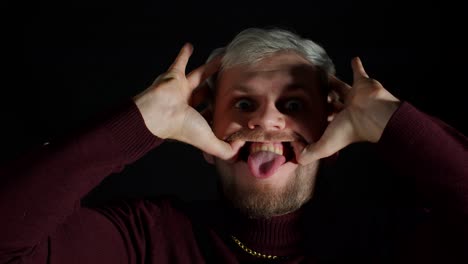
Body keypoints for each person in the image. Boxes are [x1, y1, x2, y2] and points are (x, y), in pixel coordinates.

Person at [0, 27, 466, 263]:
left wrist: (394, 123)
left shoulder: (389, 242)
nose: (266, 120)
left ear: (332, 133)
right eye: (243, 104)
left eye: (292, 104)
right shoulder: (146, 239)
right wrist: (140, 122)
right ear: (206, 136)